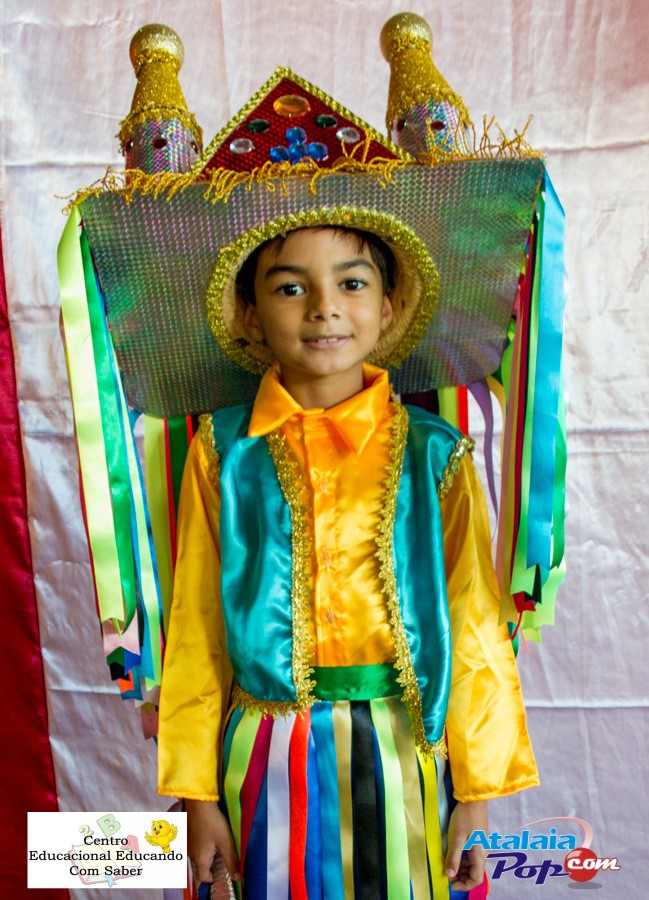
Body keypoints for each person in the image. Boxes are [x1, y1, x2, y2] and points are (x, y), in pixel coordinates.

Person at [157, 224, 539, 898]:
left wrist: (476, 794)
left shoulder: (434, 454)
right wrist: (196, 793)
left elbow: (473, 624)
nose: (324, 307)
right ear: (250, 314)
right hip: (261, 755)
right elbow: (196, 625)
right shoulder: (221, 452)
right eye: (290, 288)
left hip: (405, 755)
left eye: (351, 283)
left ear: (387, 307)